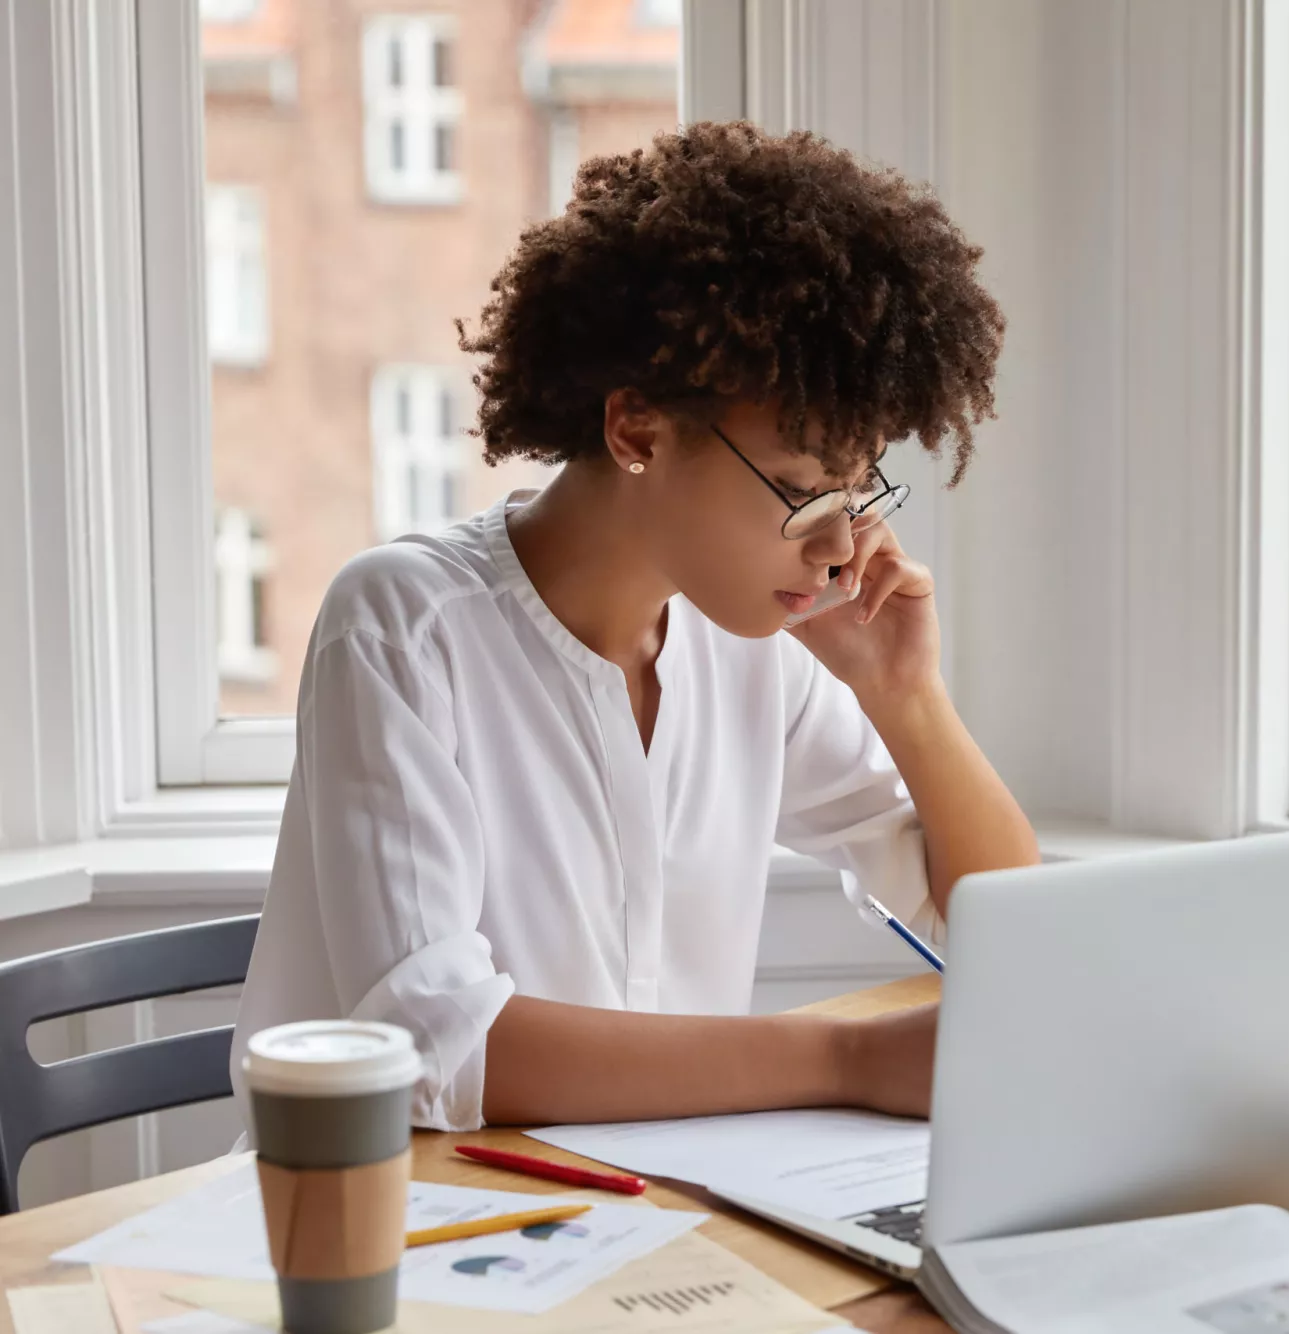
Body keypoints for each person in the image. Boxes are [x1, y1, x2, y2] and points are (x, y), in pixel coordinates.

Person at [229, 121, 1038, 1135]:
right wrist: (842, 1053)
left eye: (857, 487)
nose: (839, 545)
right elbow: (437, 1049)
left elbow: (1011, 938)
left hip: (655, 1219)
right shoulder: (405, 625)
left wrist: (908, 701)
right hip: (396, 1237)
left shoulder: (745, 650)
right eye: (798, 490)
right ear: (636, 429)